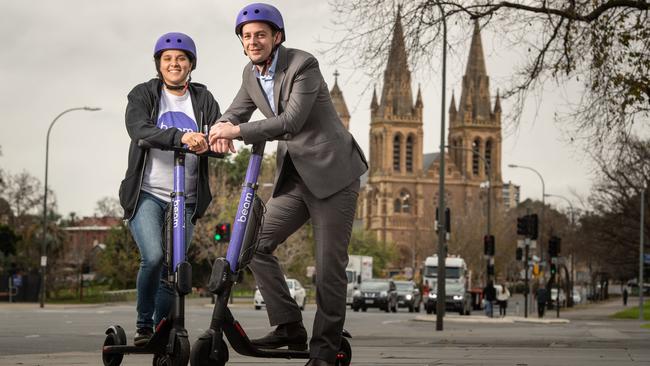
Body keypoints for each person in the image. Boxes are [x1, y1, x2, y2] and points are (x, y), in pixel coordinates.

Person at [208, 4, 367, 365]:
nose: (253, 41)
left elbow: (290, 121)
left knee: (328, 268)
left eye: (260, 34)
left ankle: (324, 352)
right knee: (252, 243)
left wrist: (237, 131)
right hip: (296, 179)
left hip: (333, 176)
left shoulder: (302, 65)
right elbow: (235, 112)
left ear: (276, 36)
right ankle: (288, 326)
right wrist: (215, 131)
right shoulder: (250, 74)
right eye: (247, 36)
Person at [119, 32, 221, 346]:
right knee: (152, 257)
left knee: (172, 266)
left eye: (181, 58)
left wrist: (217, 141)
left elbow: (217, 136)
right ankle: (144, 325)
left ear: (191, 64)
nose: (174, 63)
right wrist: (183, 137)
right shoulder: (143, 95)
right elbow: (140, 131)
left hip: (186, 197)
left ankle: (163, 329)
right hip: (148, 193)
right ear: (159, 64)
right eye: (168, 59)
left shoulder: (203, 99)